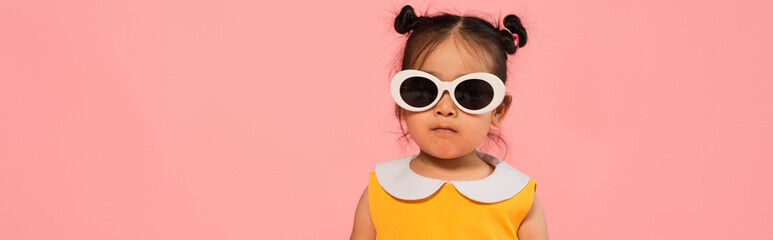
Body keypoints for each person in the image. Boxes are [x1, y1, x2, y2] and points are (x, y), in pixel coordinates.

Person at [350, 5, 548, 240]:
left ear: (498, 109)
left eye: (470, 93)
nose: (445, 109)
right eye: (424, 90)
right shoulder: (380, 192)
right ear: (401, 103)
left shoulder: (517, 197)